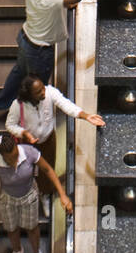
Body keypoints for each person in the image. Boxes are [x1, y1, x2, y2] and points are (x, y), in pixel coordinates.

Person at [0, 0, 107, 110]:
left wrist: (65, 4)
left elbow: (51, 4)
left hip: (25, 40)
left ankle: (1, 103)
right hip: (39, 52)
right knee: (37, 86)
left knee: (18, 72)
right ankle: (30, 112)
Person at [6, 74, 105, 214]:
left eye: (42, 88)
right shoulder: (18, 105)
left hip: (47, 139)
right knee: (25, 170)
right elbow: (10, 125)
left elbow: (66, 105)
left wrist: (86, 116)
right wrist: (24, 133)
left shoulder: (50, 92)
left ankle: (44, 194)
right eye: (38, 92)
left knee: (47, 169)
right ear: (29, 95)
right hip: (28, 144)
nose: (43, 93)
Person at [0, 131, 71, 253]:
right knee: (11, 229)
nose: (15, 158)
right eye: (10, 157)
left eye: (15, 153)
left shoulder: (29, 152)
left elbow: (48, 170)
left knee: (32, 228)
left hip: (29, 196)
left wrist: (62, 194)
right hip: (7, 199)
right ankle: (17, 251)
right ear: (2, 156)